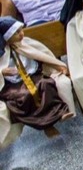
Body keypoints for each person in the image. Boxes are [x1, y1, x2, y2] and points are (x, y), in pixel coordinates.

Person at [0, 16, 75, 147]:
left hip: (32, 76)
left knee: (46, 84)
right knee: (25, 96)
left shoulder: (26, 43)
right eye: (16, 33)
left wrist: (58, 65)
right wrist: (2, 72)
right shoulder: (2, 54)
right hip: (13, 85)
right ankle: (46, 126)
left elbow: (41, 55)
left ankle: (60, 112)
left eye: (21, 30)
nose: (21, 34)